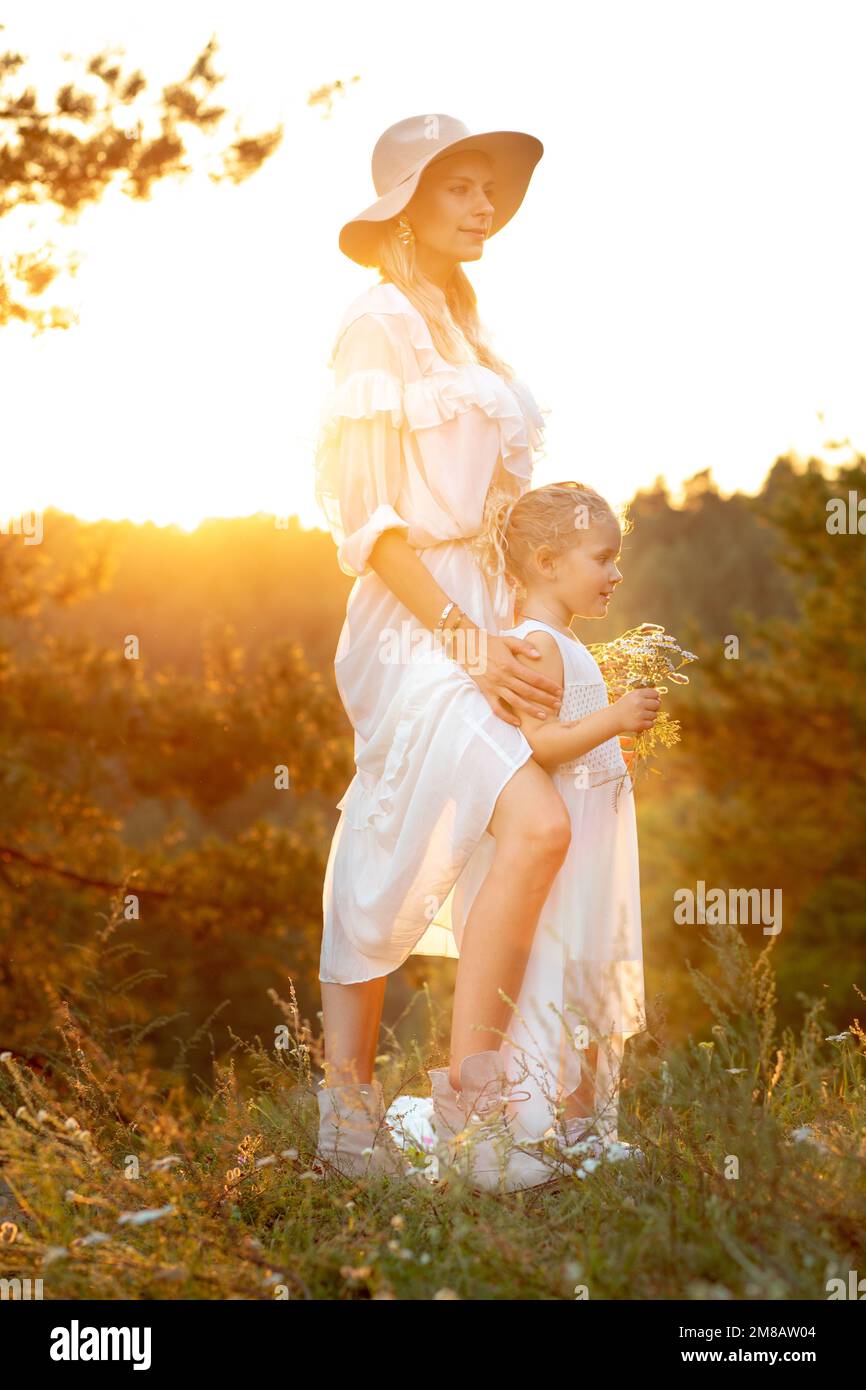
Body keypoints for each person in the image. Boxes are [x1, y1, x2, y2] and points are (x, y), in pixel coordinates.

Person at [314, 114, 573, 1191]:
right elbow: (363, 523)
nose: (484, 206)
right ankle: (459, 1113)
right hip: (411, 617)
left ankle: (370, 1108)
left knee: (443, 828)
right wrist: (463, 638)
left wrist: (532, 623)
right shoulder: (375, 325)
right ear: (405, 204)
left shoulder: (468, 333)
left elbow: (501, 509)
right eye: (458, 187)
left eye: (489, 189)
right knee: (519, 819)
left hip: (485, 612)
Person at [439, 480, 657, 1169]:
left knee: (594, 973)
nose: (616, 573)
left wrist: (610, 735)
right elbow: (540, 741)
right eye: (603, 558)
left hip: (594, 844)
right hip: (568, 856)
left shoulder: (559, 639)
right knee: (564, 974)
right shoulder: (532, 643)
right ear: (545, 563)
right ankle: (544, 1122)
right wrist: (615, 718)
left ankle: (587, 1127)